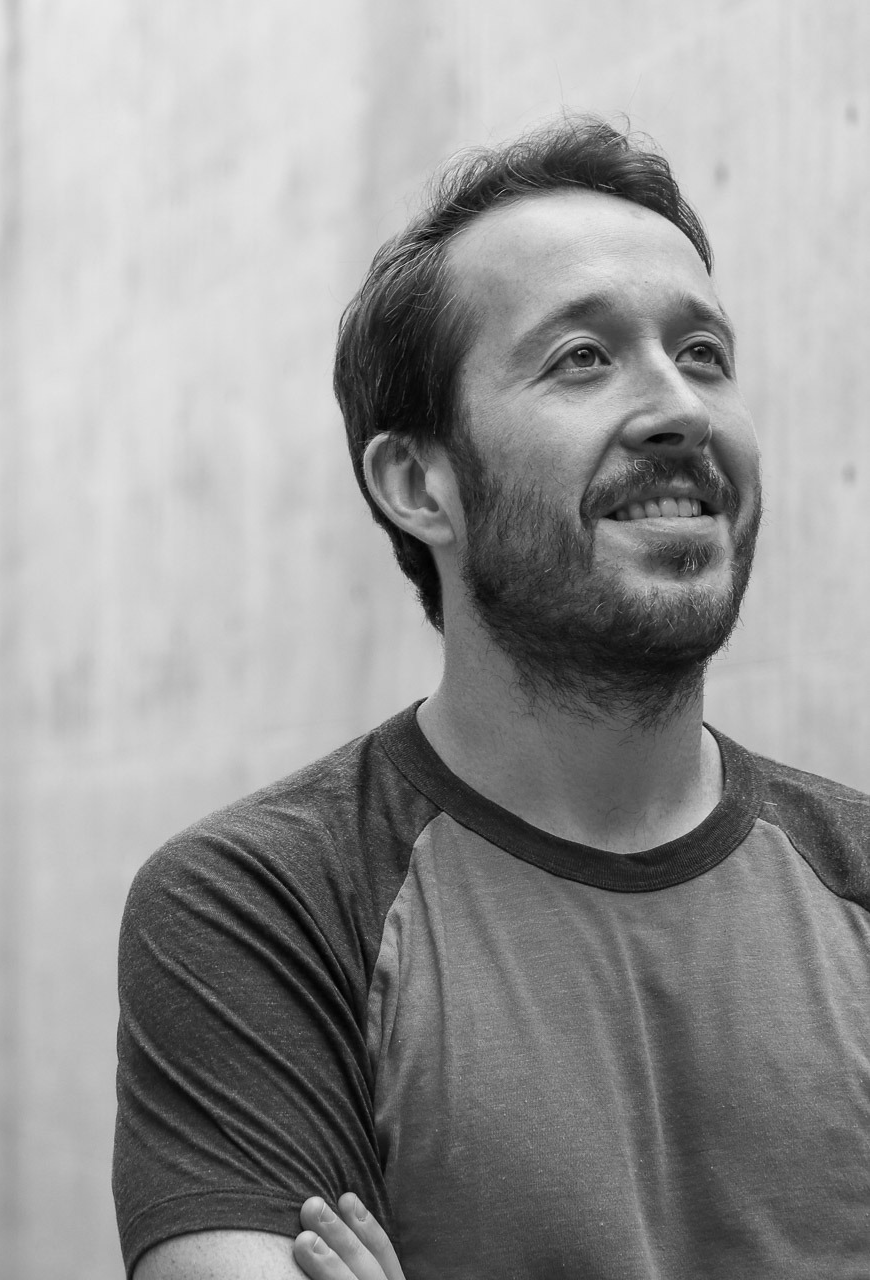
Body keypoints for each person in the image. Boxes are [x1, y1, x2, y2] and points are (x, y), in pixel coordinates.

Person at [113, 117, 870, 1280]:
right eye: (583, 357)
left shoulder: (853, 876)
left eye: (704, 353)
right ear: (419, 482)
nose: (680, 407)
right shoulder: (265, 903)